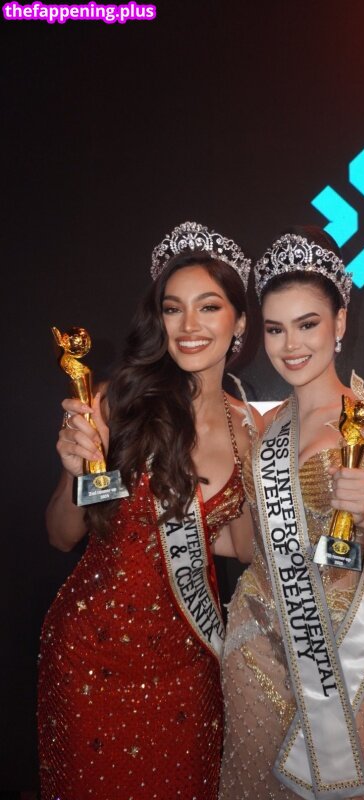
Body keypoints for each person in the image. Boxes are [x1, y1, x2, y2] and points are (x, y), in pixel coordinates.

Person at [38, 222, 257, 800]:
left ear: (239, 320)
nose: (189, 326)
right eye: (173, 308)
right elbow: (62, 535)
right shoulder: (119, 402)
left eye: (209, 307)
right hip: (89, 659)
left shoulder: (249, 429)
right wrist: (74, 470)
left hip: (189, 668)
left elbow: (239, 545)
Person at [219, 226, 364, 800]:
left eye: (307, 323)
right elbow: (248, 545)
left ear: (339, 323)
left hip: (347, 648)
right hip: (255, 646)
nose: (290, 344)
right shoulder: (261, 430)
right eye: (275, 328)